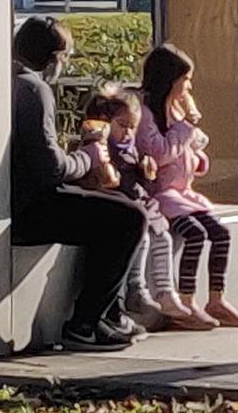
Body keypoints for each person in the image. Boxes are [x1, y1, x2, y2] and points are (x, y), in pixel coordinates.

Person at [11, 16, 147, 351]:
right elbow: (52, 168)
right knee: (130, 218)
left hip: (14, 198)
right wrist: (89, 155)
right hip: (29, 207)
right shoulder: (35, 90)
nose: (65, 64)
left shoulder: (10, 82)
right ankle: (85, 324)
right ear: (52, 57)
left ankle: (109, 314)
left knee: (106, 213)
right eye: (65, 56)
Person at [136, 44, 238, 328]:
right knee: (195, 235)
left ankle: (217, 297)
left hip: (185, 194)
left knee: (221, 234)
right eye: (185, 80)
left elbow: (189, 148)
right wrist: (186, 128)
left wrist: (198, 159)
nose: (189, 87)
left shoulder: (175, 110)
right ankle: (186, 301)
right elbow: (161, 152)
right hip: (164, 196)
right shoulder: (146, 113)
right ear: (169, 79)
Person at [83, 89, 193, 325]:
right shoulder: (103, 148)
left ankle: (164, 290)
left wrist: (146, 170)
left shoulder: (131, 149)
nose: (128, 133)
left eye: (133, 127)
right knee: (141, 238)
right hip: (122, 203)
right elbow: (106, 180)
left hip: (140, 202)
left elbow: (140, 178)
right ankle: (137, 287)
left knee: (163, 237)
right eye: (122, 125)